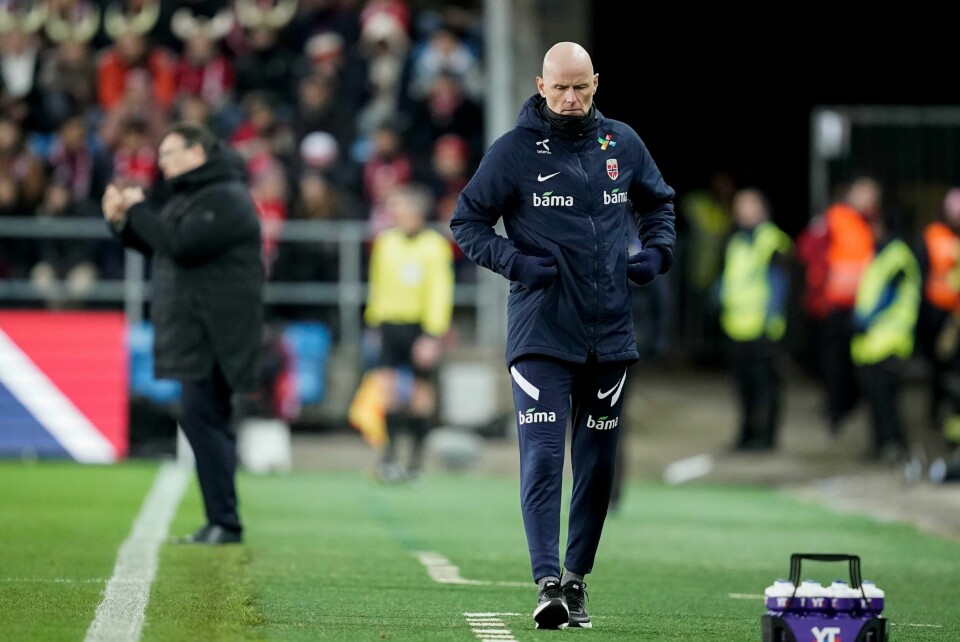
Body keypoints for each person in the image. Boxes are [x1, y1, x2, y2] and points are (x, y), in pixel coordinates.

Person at [449, 41, 676, 630]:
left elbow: (659, 203)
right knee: (545, 457)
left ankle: (576, 582)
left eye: (580, 87)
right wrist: (515, 262)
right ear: (540, 85)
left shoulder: (623, 143)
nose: (570, 98)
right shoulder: (514, 151)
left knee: (597, 468)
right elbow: (466, 221)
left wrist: (658, 252)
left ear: (596, 82)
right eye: (560, 88)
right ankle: (546, 582)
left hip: (610, 334)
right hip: (542, 333)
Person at [101, 121, 264, 545]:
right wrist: (121, 222)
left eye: (171, 153)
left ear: (198, 153)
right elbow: (161, 247)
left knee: (204, 418)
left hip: (217, 332)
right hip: (200, 330)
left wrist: (137, 209)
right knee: (203, 419)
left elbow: (179, 245)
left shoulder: (226, 197)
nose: (163, 163)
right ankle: (221, 520)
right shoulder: (194, 196)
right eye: (161, 156)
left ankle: (225, 521)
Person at [363, 182, 455, 483]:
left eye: (400, 207)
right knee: (386, 390)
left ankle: (415, 462)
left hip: (419, 327)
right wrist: (374, 322)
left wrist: (432, 334)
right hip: (390, 324)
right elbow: (377, 285)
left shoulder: (434, 245)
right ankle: (389, 457)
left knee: (420, 393)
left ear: (416, 212)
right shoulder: (386, 242)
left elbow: (440, 291)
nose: (395, 212)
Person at [796, 176, 880, 434]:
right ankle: (835, 410)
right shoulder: (834, 218)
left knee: (855, 363)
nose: (866, 199)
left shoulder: (874, 224)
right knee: (832, 362)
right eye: (862, 193)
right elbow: (807, 248)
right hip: (833, 304)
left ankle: (848, 404)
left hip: (863, 306)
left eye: (871, 195)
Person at [717, 188, 793, 452]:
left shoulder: (773, 241)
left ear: (762, 209)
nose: (743, 212)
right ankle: (746, 435)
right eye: (739, 207)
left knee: (767, 386)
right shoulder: (736, 242)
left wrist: (772, 319)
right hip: (737, 326)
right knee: (743, 388)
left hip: (764, 329)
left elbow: (780, 284)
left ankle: (767, 437)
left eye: (748, 206)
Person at [851, 208, 920, 464]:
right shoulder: (879, 255)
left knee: (886, 399)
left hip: (890, 341)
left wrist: (867, 318)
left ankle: (893, 445)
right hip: (873, 343)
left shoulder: (897, 255)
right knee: (875, 399)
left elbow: (891, 294)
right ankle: (881, 444)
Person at [914, 187, 960, 429]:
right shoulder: (933, 235)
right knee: (938, 366)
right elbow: (922, 273)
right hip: (937, 312)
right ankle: (936, 412)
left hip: (957, 314)